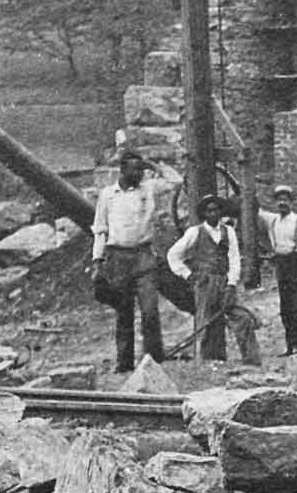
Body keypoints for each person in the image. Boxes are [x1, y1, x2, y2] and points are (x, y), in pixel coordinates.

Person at [89, 150, 167, 373]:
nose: (140, 173)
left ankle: (153, 361)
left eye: (142, 169)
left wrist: (153, 163)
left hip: (143, 256)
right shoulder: (107, 194)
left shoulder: (148, 189)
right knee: (124, 313)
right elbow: (100, 230)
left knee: (150, 310)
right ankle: (124, 363)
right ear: (122, 170)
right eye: (135, 169)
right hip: (117, 258)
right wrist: (97, 261)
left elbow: (175, 180)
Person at [165, 195, 243, 362]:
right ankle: (204, 359)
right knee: (205, 321)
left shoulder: (228, 232)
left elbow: (234, 258)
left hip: (224, 280)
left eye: (216, 210)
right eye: (209, 211)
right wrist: (188, 275)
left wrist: (232, 283)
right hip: (205, 282)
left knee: (242, 318)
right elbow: (173, 255)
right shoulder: (195, 232)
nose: (213, 214)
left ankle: (247, 359)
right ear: (204, 214)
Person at [259, 184, 297, 354]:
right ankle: (289, 345)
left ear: (291, 202)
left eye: (285, 200)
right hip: (282, 264)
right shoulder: (273, 220)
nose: (282, 203)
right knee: (285, 307)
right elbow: (256, 211)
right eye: (279, 200)